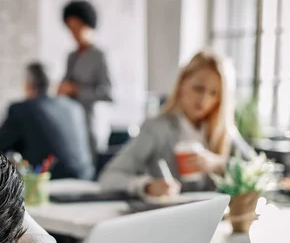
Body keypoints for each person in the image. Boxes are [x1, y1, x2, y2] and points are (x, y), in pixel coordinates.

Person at [99, 50, 235, 197]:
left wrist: (217, 164)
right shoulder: (156, 128)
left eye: (214, 93)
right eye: (198, 89)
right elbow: (109, 178)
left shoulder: (222, 131)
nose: (204, 100)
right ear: (182, 83)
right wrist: (147, 186)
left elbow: (256, 169)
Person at [0, 63, 94, 180]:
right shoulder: (75, 107)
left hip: (47, 183)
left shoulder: (22, 109)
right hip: (86, 179)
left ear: (28, 85)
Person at [58, 0, 112, 161]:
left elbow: (107, 93)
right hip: (71, 120)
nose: (74, 33)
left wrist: (76, 90)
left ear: (88, 25)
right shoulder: (71, 57)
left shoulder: (99, 56)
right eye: (70, 29)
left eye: (77, 28)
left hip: (91, 123)